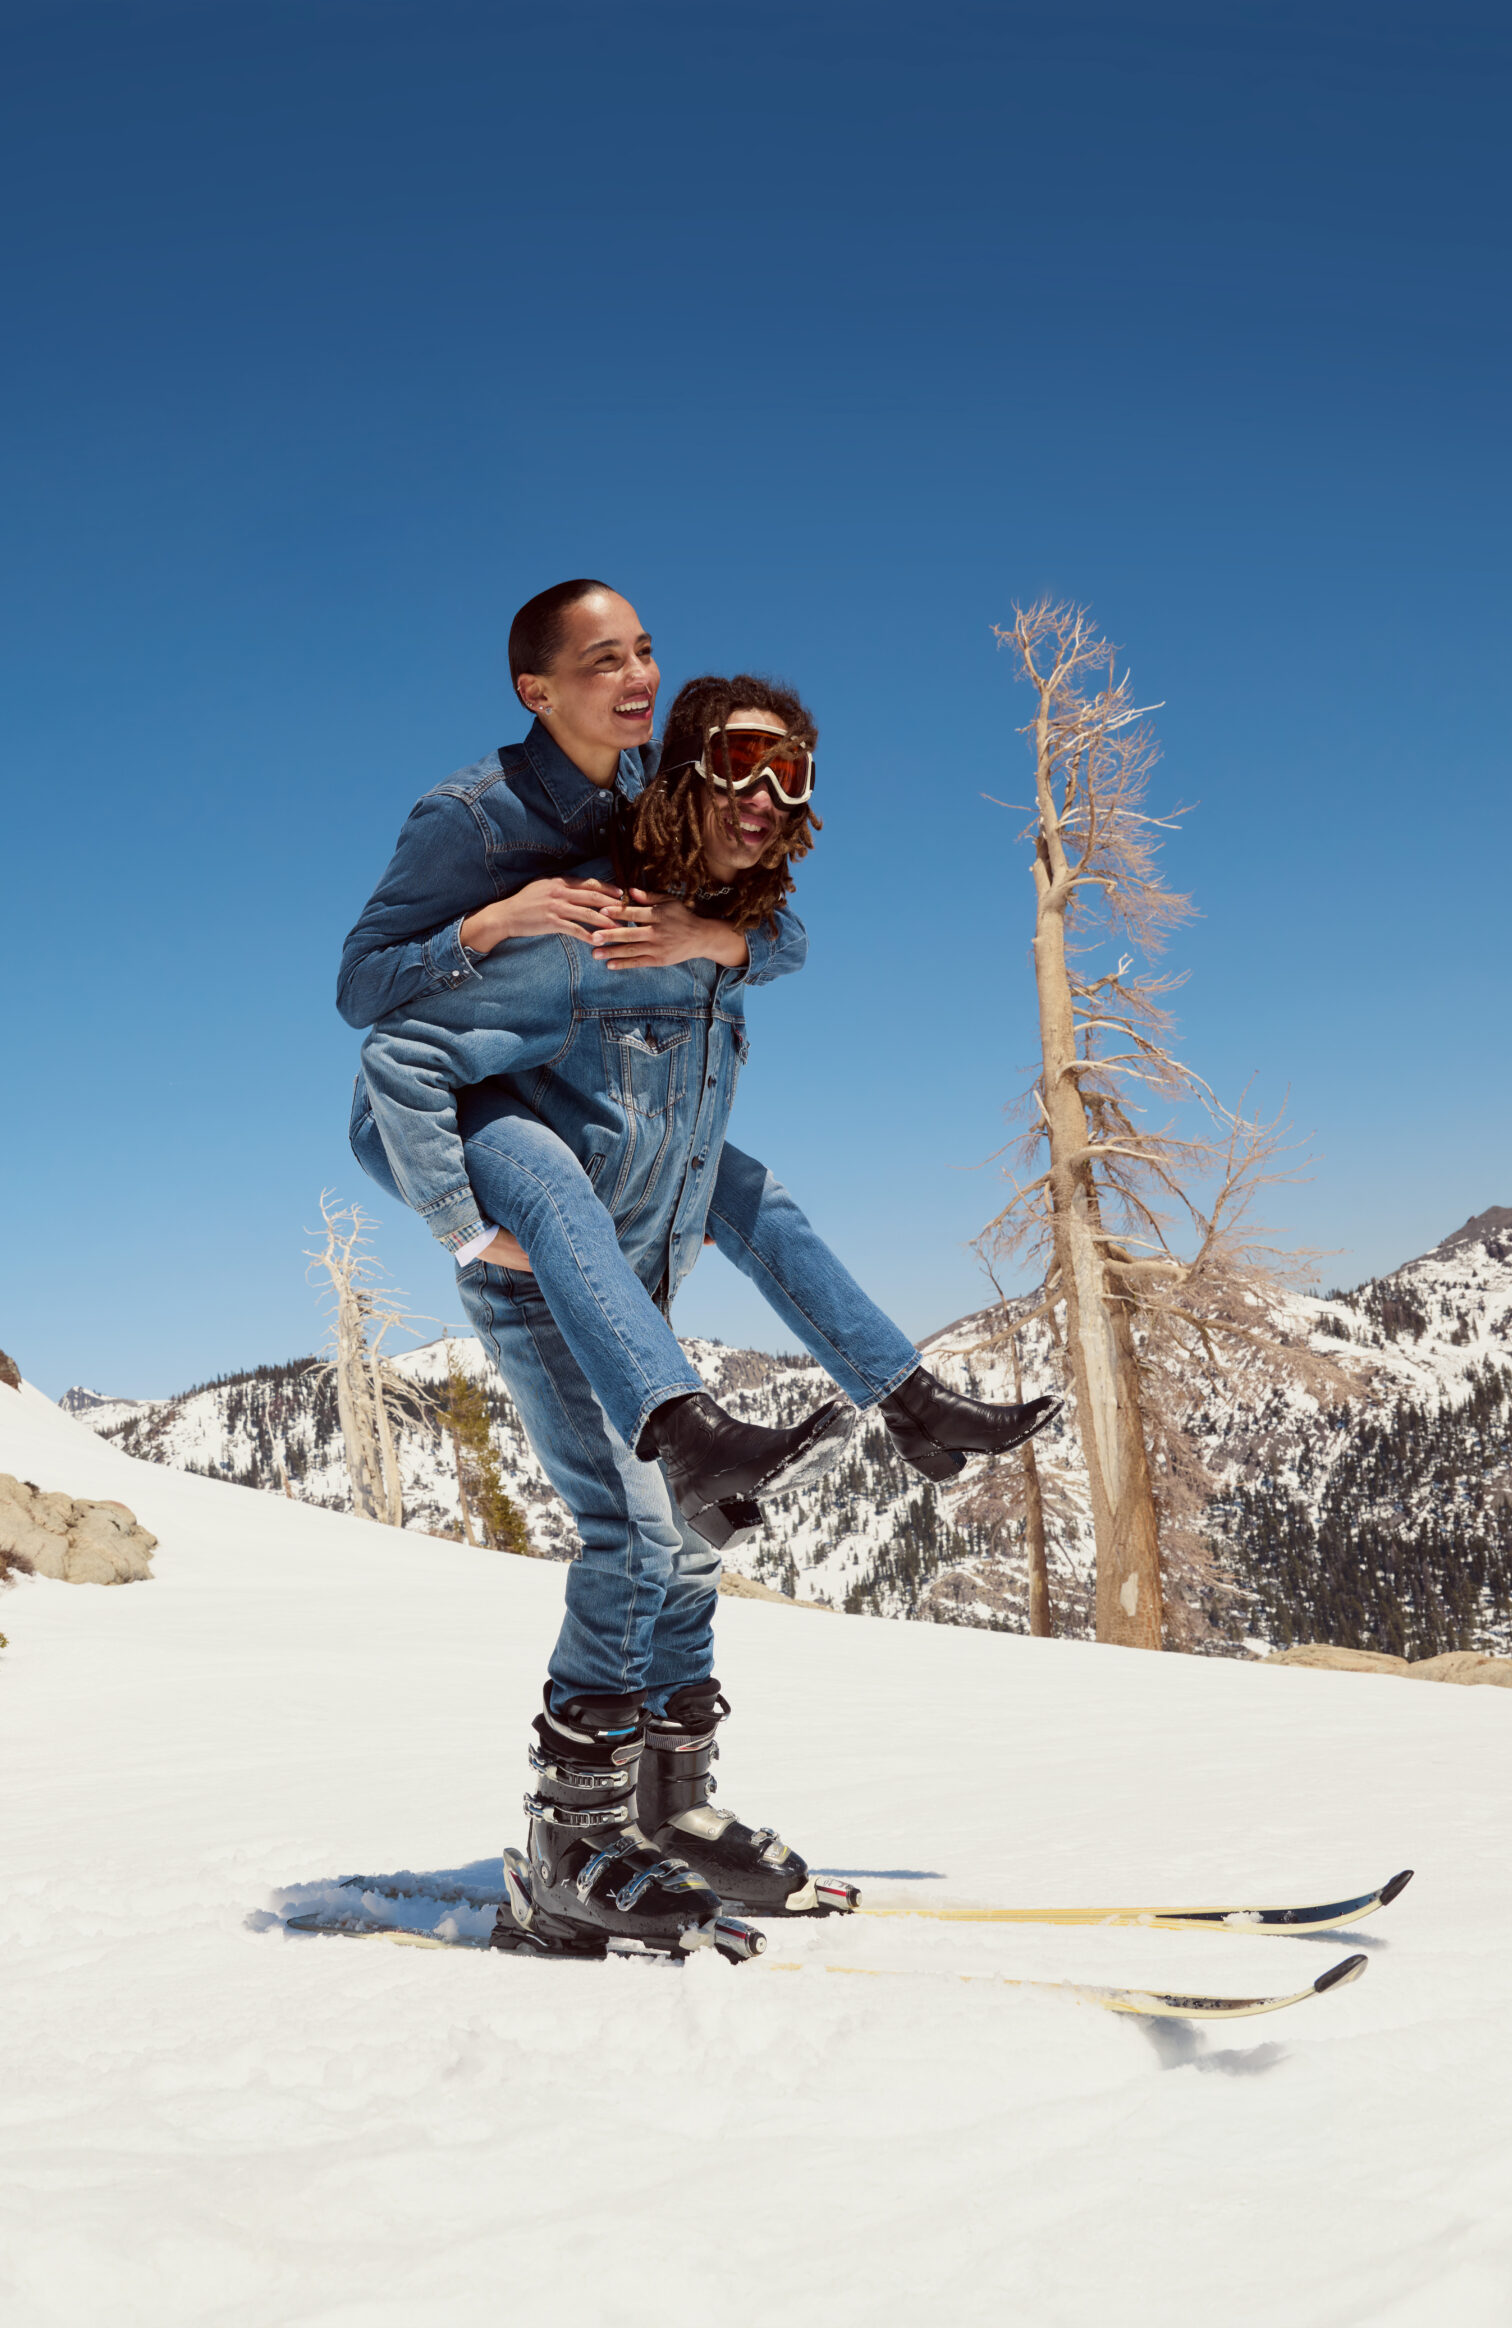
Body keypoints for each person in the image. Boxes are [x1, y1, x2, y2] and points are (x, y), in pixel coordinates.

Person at [344, 664, 1053, 1958]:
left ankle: (668, 1813)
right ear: (686, 769)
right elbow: (392, 1057)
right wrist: (470, 1210)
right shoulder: (594, 920)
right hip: (550, 1272)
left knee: (687, 1522)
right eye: (744, 760)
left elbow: (780, 943)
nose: (771, 792)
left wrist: (718, 940)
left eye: (796, 772)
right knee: (630, 1534)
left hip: (640, 1265)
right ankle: (569, 1842)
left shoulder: (717, 939)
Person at [339, 580, 1054, 1500]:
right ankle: (685, 1432)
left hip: (536, 1074)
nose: (639, 677)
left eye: (644, 649)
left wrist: (715, 937)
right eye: (605, 661)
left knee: (745, 1186)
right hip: (426, 1108)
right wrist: (491, 925)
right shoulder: (481, 822)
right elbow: (367, 1002)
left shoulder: (649, 796)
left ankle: (910, 1402)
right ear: (537, 692)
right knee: (552, 1181)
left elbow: (776, 932)